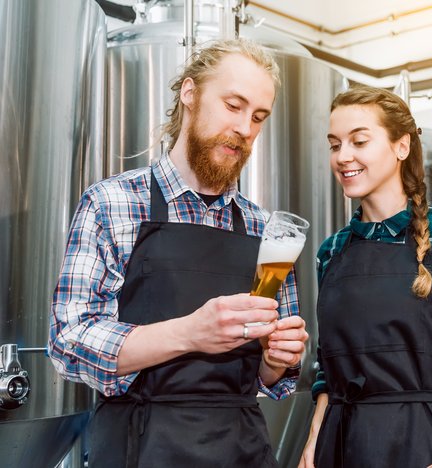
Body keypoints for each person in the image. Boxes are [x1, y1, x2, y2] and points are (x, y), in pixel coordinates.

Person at [48, 38, 308, 468]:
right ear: (190, 94)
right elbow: (69, 342)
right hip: (141, 445)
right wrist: (189, 332)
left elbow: (267, 377)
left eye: (258, 117)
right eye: (233, 105)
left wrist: (277, 360)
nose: (246, 128)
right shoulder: (111, 203)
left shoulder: (267, 230)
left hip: (243, 447)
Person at [299, 86, 432, 468]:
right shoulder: (331, 251)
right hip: (339, 446)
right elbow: (327, 369)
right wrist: (313, 442)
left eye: (359, 141)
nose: (343, 157)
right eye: (334, 145)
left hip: (428, 445)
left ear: (401, 147)